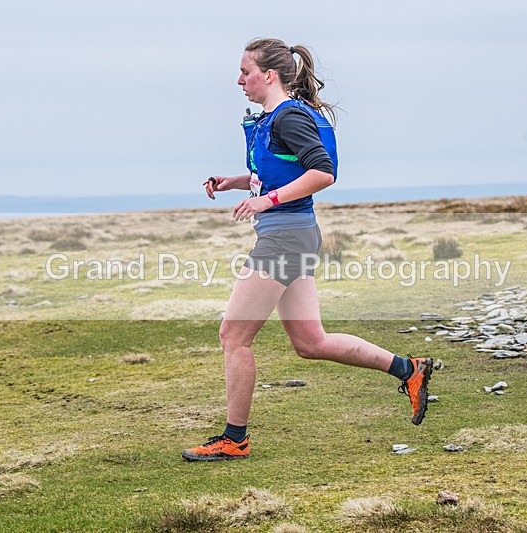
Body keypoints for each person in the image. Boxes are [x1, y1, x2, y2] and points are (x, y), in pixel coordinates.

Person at [182, 38, 433, 462]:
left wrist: (268, 201)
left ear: (269, 75)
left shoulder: (289, 116)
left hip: (285, 237)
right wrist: (235, 181)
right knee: (310, 341)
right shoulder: (273, 118)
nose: (239, 80)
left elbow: (323, 172)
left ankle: (234, 439)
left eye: (245, 72)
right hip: (293, 235)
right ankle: (409, 369)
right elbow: (279, 171)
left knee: (234, 336)